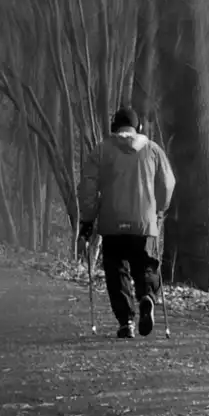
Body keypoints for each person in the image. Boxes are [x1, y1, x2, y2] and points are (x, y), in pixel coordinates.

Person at [77, 106, 175, 338]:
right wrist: (158, 210)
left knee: (116, 271)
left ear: (114, 128)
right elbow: (167, 183)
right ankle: (147, 298)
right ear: (138, 128)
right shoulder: (152, 150)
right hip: (144, 223)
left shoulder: (101, 151)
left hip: (112, 224)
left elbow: (88, 188)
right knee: (147, 266)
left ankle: (126, 322)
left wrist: (88, 221)